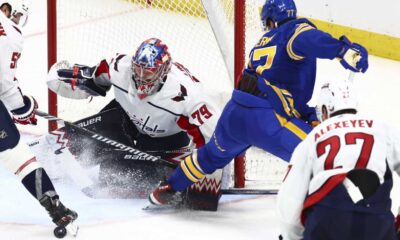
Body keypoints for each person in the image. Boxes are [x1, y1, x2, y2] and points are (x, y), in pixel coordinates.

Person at [148, 0, 369, 206]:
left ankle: (169, 187)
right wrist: (342, 50)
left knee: (211, 154)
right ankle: (358, 207)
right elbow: (308, 38)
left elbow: (284, 92)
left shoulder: (261, 43)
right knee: (324, 151)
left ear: (271, 20)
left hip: (234, 114)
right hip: (267, 120)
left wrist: (309, 117)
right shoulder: (293, 30)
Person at [47, 38, 222, 210]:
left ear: (163, 72)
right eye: (138, 69)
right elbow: (94, 81)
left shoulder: (187, 96)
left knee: (115, 178)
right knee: (85, 143)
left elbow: (214, 141)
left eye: (148, 72)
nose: (141, 77)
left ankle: (171, 160)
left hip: (165, 137)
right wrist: (73, 80)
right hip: (126, 117)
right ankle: (55, 156)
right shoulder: (119, 65)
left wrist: (205, 182)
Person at [277, 80, 400, 240]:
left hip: (326, 219)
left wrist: (292, 236)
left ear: (324, 110)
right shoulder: (383, 128)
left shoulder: (313, 137)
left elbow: (290, 199)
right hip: (376, 221)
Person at [0, 1, 77, 231]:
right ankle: (57, 210)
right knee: (17, 155)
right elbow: (5, 84)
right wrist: (24, 108)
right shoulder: (11, 32)